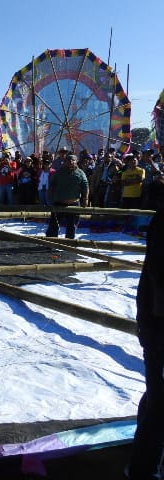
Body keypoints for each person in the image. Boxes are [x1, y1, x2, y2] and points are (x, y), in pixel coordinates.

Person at [128, 172, 164, 480]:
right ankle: (143, 469)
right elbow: (157, 282)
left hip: (155, 325)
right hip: (160, 327)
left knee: (156, 400)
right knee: (158, 405)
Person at [45, 154, 89, 239]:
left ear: (76, 162)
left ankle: (69, 244)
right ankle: (50, 243)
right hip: (58, 203)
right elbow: (52, 185)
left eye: (73, 160)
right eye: (68, 160)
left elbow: (85, 186)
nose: (71, 162)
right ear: (64, 162)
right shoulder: (58, 172)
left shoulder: (80, 173)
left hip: (74, 203)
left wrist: (85, 199)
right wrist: (49, 198)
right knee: (54, 225)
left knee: (72, 226)